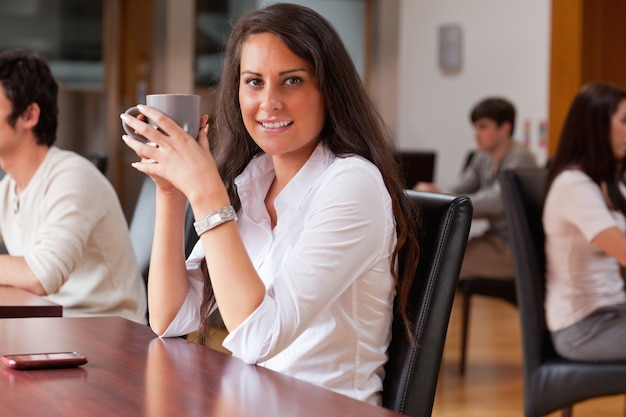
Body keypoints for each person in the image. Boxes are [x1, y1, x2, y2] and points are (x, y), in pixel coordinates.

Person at [121, 3, 419, 405]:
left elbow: (258, 338)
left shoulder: (352, 184)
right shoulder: (254, 179)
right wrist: (171, 191)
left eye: (292, 81)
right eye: (254, 82)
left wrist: (207, 194)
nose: (269, 102)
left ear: (328, 90)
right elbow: (169, 317)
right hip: (256, 401)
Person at [0, 49, 147, 324]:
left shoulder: (72, 176)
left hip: (107, 337)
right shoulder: (9, 188)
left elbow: (41, 276)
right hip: (52, 330)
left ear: (30, 115)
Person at [543, 82, 626, 361]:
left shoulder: (608, 182)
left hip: (613, 313)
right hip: (583, 328)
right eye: (624, 121)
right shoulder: (573, 186)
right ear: (597, 126)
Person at [414, 97, 537, 279]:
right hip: (493, 239)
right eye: (475, 127)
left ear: (505, 128)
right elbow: (460, 187)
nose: (476, 133)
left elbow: (495, 203)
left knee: (441, 264)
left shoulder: (520, 157)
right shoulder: (483, 157)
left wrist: (442, 196)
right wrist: (435, 193)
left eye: (483, 126)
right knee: (434, 256)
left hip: (516, 248)